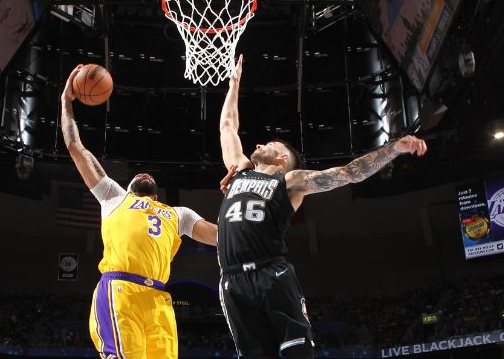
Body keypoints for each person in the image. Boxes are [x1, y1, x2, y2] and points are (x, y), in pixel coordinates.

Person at [217, 56, 427, 359]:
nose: (260, 144)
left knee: (298, 353)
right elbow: (227, 126)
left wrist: (393, 148)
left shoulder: (289, 182)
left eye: (271, 145)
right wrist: (234, 84)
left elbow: (349, 173)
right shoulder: (238, 171)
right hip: (232, 280)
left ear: (281, 160)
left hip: (270, 274)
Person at [60, 64, 221, 359]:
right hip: (120, 290)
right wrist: (65, 103)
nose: (144, 174)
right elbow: (75, 147)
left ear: (156, 196)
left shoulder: (178, 214)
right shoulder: (114, 196)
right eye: (138, 176)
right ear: (129, 187)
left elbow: (221, 237)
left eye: (149, 177)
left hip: (158, 301)